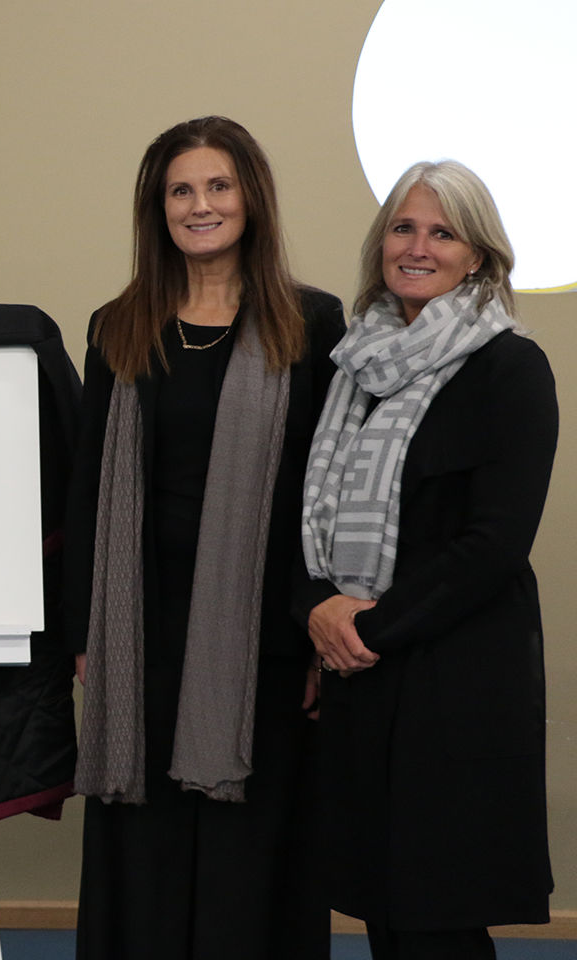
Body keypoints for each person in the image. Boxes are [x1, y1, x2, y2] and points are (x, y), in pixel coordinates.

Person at [63, 116, 344, 959]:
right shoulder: (118, 325)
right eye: (181, 189)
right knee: (143, 841)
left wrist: (313, 635)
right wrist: (84, 634)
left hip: (264, 632)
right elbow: (87, 492)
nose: (200, 205)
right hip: (139, 625)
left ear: (251, 197)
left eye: (218, 185)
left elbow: (326, 493)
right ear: (159, 207)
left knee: (250, 845)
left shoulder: (312, 324)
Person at [300, 160, 556, 959]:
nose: (418, 247)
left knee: (438, 912)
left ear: (477, 254)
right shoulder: (353, 370)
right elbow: (308, 509)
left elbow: (495, 544)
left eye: (443, 233)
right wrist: (320, 606)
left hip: (453, 674)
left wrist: (363, 625)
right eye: (404, 229)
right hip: (358, 674)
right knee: (383, 902)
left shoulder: (510, 368)